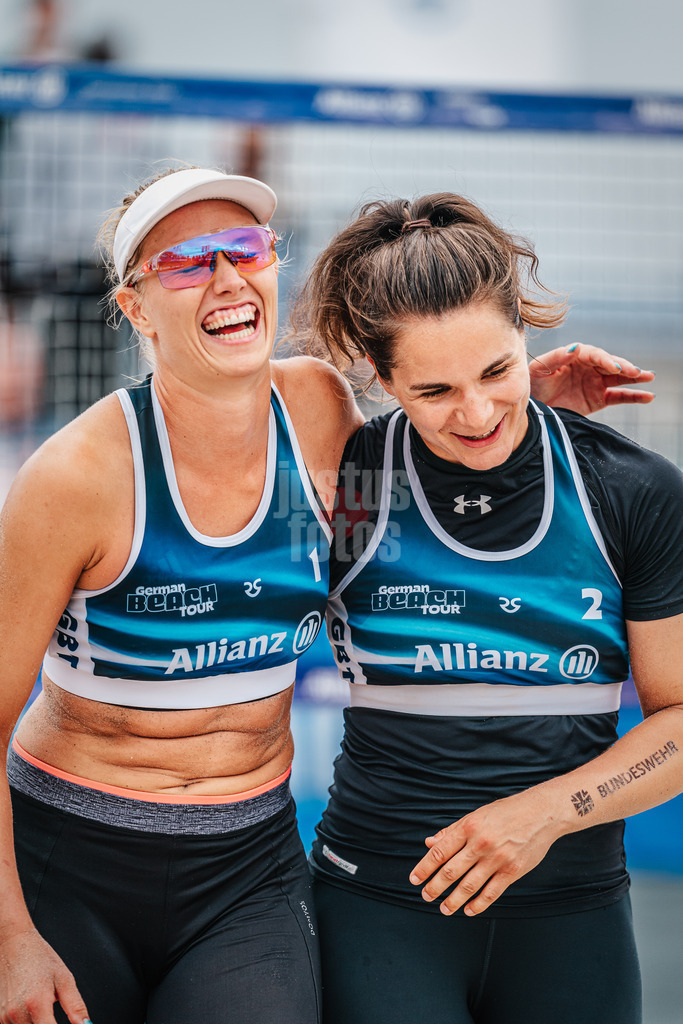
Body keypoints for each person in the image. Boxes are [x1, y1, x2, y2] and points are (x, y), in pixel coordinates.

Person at [0, 166, 653, 1024]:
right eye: (187, 262)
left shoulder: (315, 408)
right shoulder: (75, 477)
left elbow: (427, 472)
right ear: (135, 307)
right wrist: (10, 937)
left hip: (245, 865)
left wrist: (517, 405)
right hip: (74, 853)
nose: (226, 278)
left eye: (244, 249)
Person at [291, 192, 683, 1024]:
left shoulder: (629, 487)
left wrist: (546, 811)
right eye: (433, 389)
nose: (474, 415)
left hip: (573, 914)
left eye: (496, 371)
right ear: (380, 379)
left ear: (525, 332)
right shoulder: (344, 483)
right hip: (376, 904)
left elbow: (679, 721)